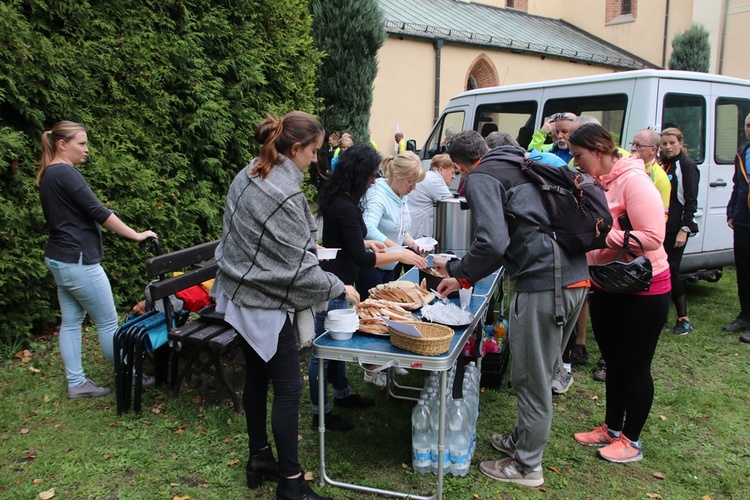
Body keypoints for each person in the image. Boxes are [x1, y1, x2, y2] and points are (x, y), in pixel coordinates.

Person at [212, 111, 359, 500]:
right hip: (262, 301)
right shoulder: (283, 192)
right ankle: (291, 484)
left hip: (237, 291)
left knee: (258, 379)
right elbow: (297, 272)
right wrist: (339, 286)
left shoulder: (249, 172)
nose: (316, 159)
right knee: (290, 388)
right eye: (313, 151)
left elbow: (267, 244)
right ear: (295, 148)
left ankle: (259, 457)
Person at [437, 130, 588, 487]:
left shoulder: (482, 177)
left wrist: (459, 272)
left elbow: (492, 242)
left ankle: (526, 466)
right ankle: (522, 440)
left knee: (531, 375)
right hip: (574, 276)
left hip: (544, 282)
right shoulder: (518, 161)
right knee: (543, 366)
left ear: (460, 165)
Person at [569, 123, 671, 464]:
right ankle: (612, 429)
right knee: (613, 360)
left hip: (644, 287)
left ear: (599, 151)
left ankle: (632, 440)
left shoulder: (635, 181)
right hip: (608, 282)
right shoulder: (598, 181)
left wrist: (601, 235)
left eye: (579, 155)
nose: (576, 162)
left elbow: (653, 237)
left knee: (635, 366)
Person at [36, 121, 158, 399]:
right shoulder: (65, 174)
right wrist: (136, 235)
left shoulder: (50, 174)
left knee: (70, 321)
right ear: (62, 144)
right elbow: (98, 212)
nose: (86, 149)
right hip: (78, 261)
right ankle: (131, 376)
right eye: (81, 143)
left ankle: (77, 383)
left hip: (59, 259)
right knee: (106, 322)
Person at [309, 143, 427, 427]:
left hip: (341, 280)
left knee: (338, 347)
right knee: (323, 352)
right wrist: (398, 253)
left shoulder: (344, 200)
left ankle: (342, 394)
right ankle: (320, 414)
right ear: (359, 174)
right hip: (333, 286)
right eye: (372, 175)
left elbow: (348, 244)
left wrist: (367, 241)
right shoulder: (345, 205)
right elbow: (360, 258)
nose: (374, 180)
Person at [357, 151, 428, 386]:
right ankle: (371, 368)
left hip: (391, 264)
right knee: (374, 316)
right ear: (396, 175)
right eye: (411, 182)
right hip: (373, 264)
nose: (413, 188)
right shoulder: (378, 194)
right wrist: (398, 250)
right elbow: (368, 228)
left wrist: (412, 243)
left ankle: (390, 360)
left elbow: (398, 227)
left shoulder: (400, 193)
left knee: (393, 312)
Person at [659, 127, 700, 335]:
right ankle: (661, 317)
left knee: (672, 271)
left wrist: (685, 229)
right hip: (660, 227)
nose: (667, 147)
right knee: (659, 271)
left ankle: (683, 318)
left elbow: (691, 201)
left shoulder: (687, 166)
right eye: (664, 143)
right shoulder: (661, 164)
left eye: (672, 143)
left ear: (681, 143)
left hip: (677, 228)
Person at [725, 113, 750, 343]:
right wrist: (731, 211)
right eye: (748, 125)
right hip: (743, 220)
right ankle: (744, 316)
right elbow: (737, 185)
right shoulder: (742, 152)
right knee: (743, 269)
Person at [407, 153, 456, 239]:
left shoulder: (429, 176)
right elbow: (453, 207)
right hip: (417, 233)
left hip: (411, 229)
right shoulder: (435, 180)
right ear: (441, 170)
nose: (454, 177)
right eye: (452, 172)